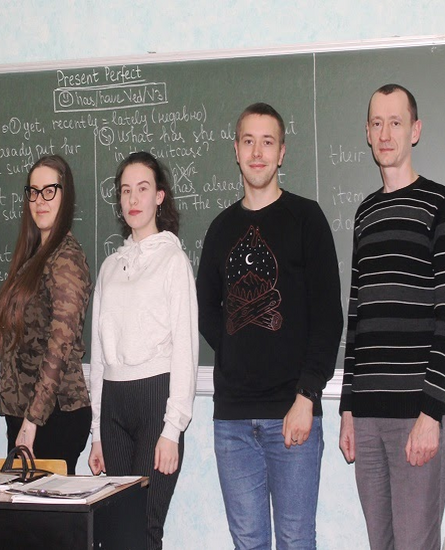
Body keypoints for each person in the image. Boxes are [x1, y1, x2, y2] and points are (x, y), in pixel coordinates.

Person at [196, 103, 343, 550]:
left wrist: (307, 396)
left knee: (296, 540)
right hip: (232, 420)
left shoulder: (307, 219)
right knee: (248, 542)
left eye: (267, 142)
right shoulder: (220, 229)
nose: (257, 152)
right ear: (236, 151)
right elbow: (206, 310)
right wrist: (237, 348)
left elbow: (328, 317)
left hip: (292, 412)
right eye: (248, 141)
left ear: (281, 152)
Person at [338, 84, 445, 550]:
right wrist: (347, 409)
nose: (385, 133)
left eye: (395, 122)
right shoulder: (365, 213)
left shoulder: (441, 204)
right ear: (367, 133)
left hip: (417, 414)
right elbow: (357, 317)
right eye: (377, 123)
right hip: (367, 417)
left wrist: (431, 412)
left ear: (415, 130)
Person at [88, 151, 199, 550]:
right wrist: (97, 432)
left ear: (159, 197)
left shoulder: (173, 260)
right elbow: (98, 356)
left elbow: (186, 349)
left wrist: (172, 429)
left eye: (143, 188)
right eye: (125, 191)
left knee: (146, 527)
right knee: (118, 529)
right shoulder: (109, 268)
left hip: (156, 400)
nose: (133, 199)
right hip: (114, 406)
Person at [0, 154, 92, 475]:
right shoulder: (33, 255)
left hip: (54, 416)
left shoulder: (66, 258)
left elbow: (60, 346)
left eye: (49, 191)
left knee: (45, 508)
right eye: (33, 192)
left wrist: (32, 420)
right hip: (29, 415)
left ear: (66, 195)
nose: (40, 200)